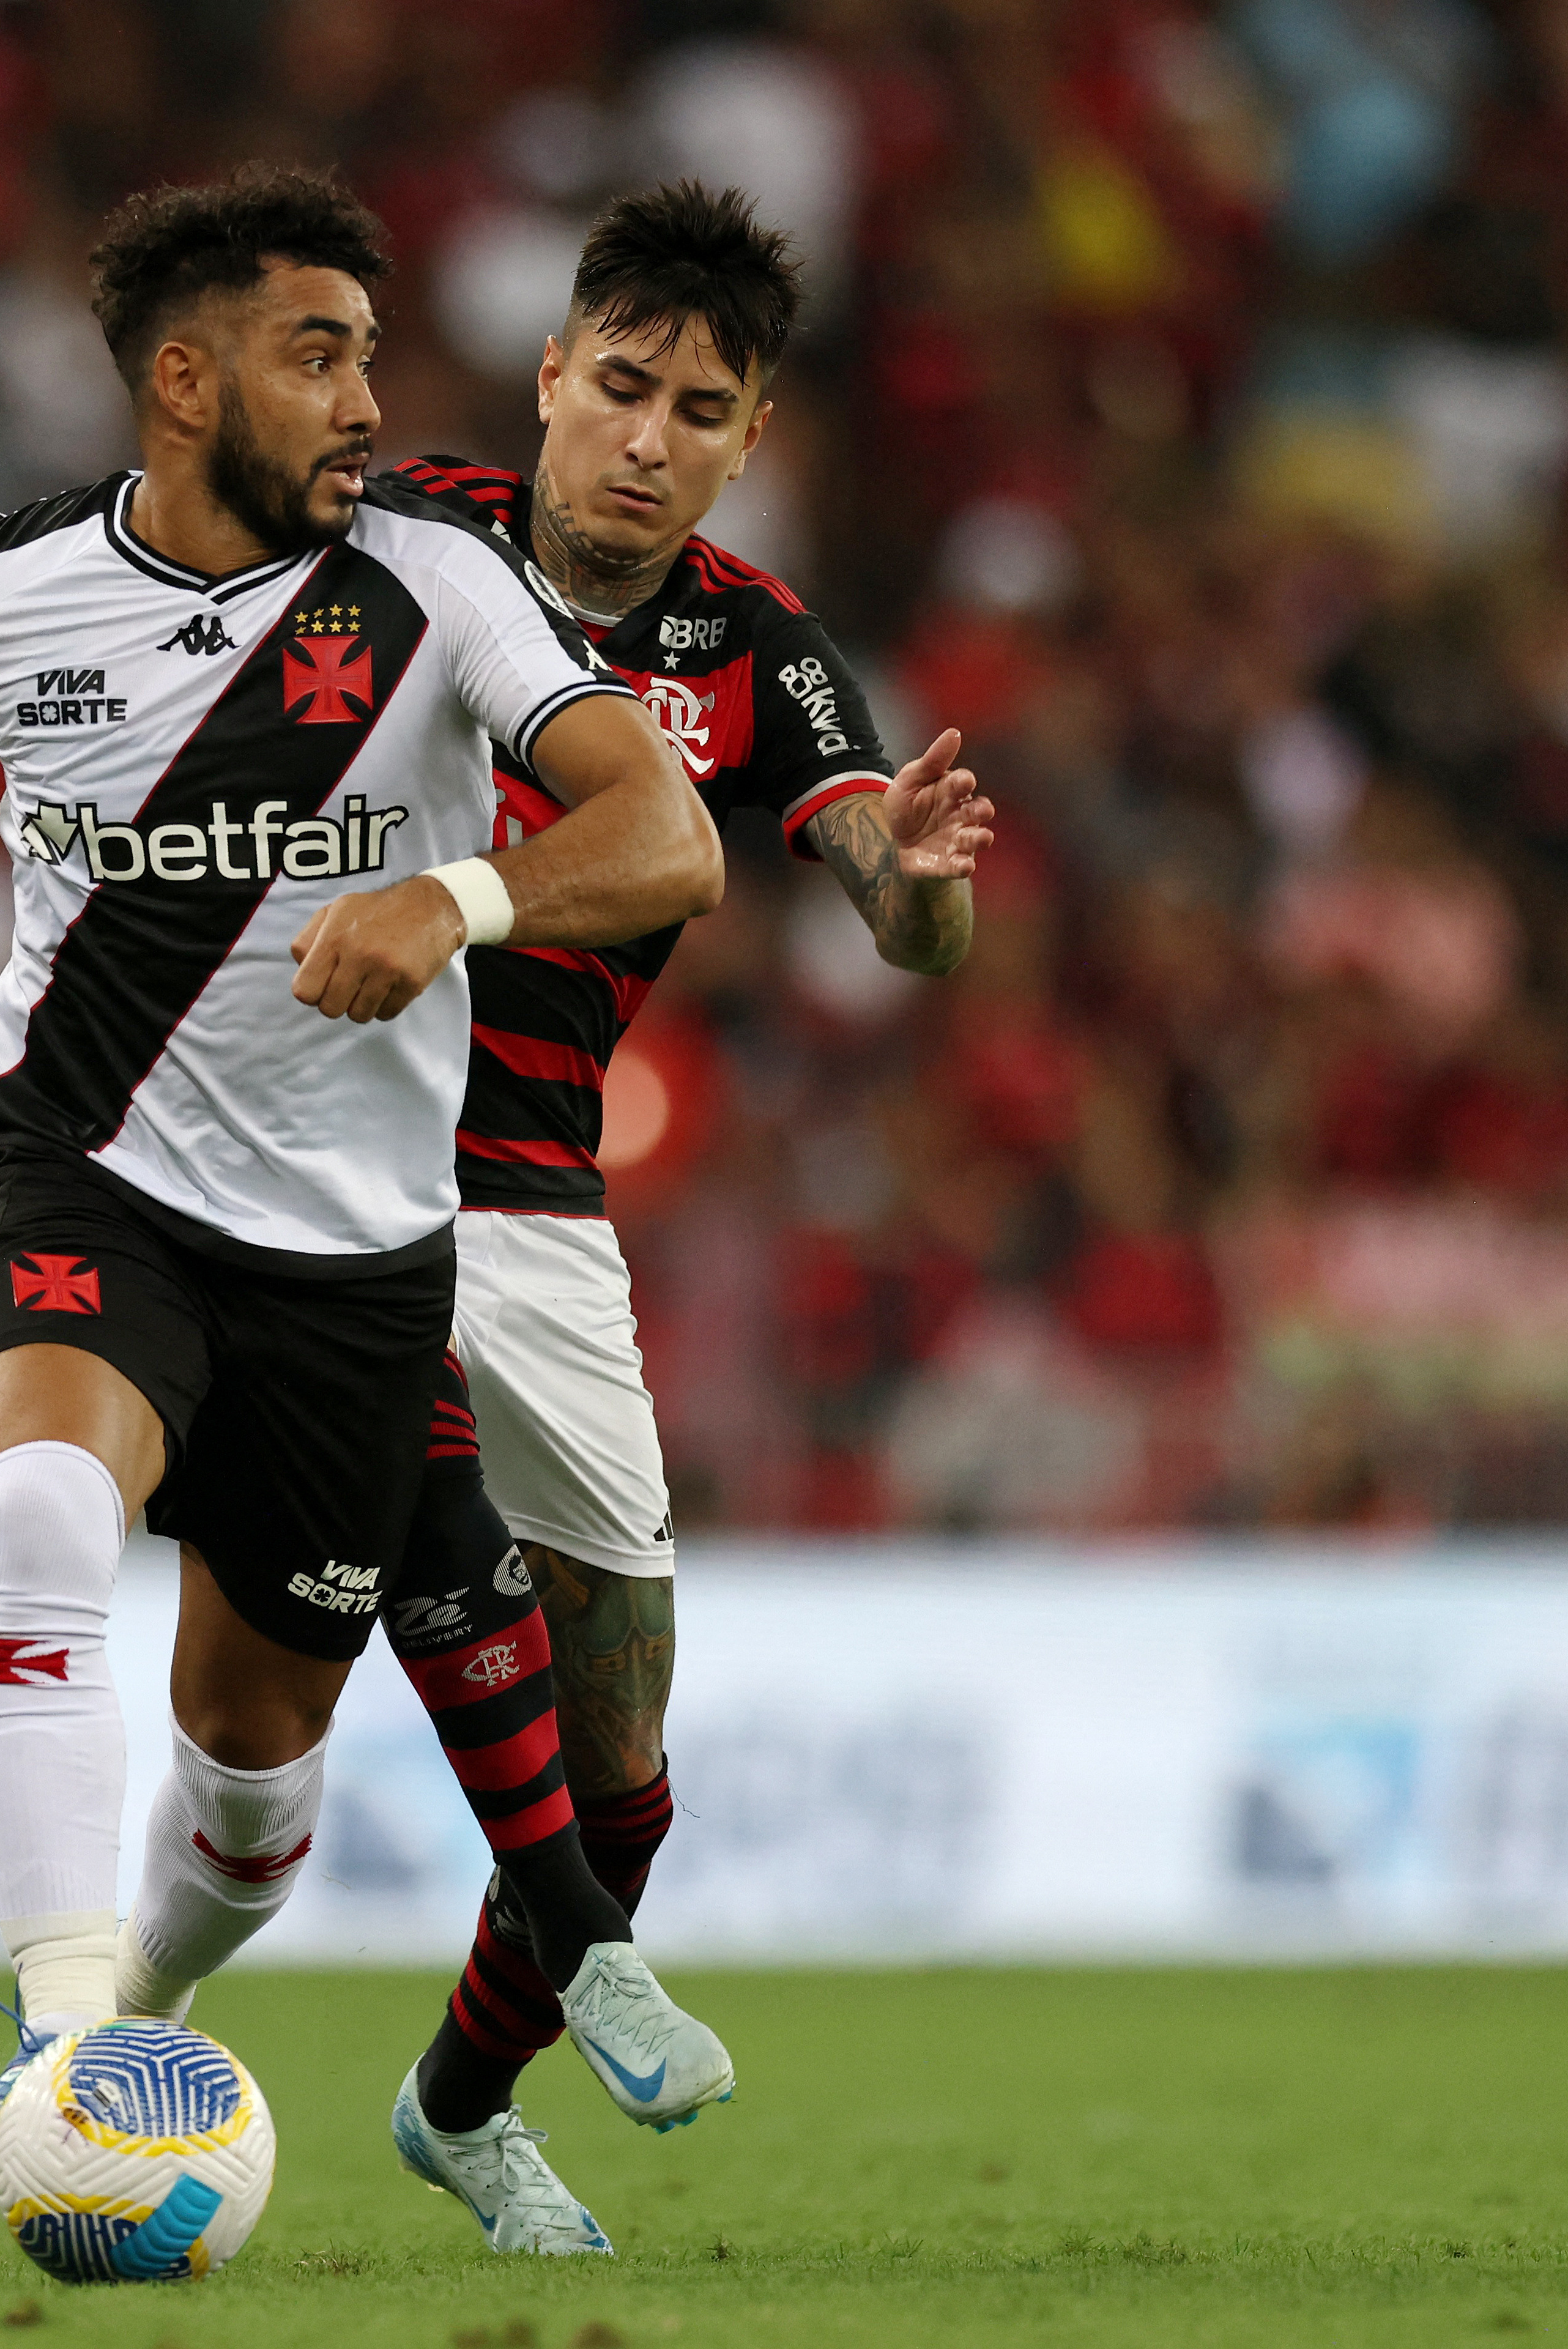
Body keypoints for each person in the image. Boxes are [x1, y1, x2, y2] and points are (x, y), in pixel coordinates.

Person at [0, 166, 742, 2187]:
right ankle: (66, 2059)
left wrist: (458, 894)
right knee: (38, 1510)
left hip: (352, 1265)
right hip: (87, 1186)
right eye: (317, 358)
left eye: (370, 359)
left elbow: (666, 839)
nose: (363, 404)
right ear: (182, 379)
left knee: (249, 1780)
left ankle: (140, 1994)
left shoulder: (436, 587)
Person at [375, 183, 998, 2252]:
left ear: (746, 441)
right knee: (343, 1593)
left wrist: (915, 879)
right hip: (308, 1167)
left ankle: (464, 2109)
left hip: (536, 1209)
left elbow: (900, 918)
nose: (647, 435)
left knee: (624, 1748)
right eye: (619, 387)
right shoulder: (396, 535)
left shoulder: (751, 649)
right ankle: (79, 2031)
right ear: (549, 379)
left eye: (697, 409)